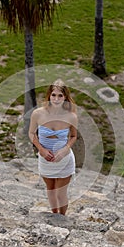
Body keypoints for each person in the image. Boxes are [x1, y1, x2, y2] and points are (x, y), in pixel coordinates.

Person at [29, 79, 77, 215]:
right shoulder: (38, 114)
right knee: (50, 189)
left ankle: (62, 217)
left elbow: (73, 136)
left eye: (60, 95)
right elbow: (31, 133)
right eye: (53, 95)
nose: (56, 99)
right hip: (45, 160)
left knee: (60, 193)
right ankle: (54, 214)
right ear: (49, 96)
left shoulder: (71, 116)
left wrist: (65, 149)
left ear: (65, 97)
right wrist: (41, 150)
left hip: (64, 160)